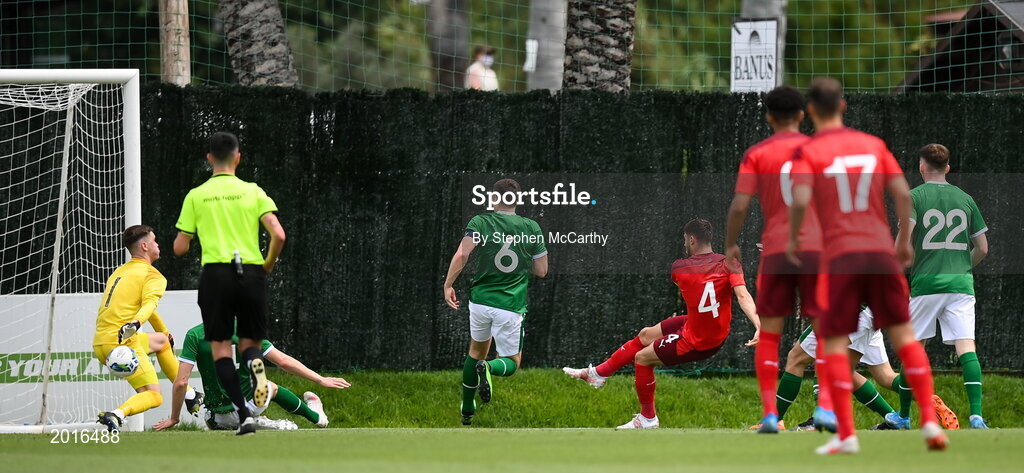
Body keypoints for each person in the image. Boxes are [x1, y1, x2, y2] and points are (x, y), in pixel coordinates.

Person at [787, 77, 947, 454]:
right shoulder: (873, 146)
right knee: (906, 340)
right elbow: (903, 196)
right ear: (842, 106)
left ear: (810, 111)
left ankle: (842, 432)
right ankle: (928, 423)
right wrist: (904, 247)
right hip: (878, 256)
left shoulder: (809, 151)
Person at [563, 218, 760, 429]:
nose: (685, 243)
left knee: (642, 358)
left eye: (685, 239)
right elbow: (743, 295)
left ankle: (648, 418)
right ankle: (598, 374)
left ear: (692, 239)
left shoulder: (680, 268)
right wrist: (758, 325)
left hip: (698, 340)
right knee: (646, 335)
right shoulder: (730, 263)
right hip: (705, 326)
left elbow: (684, 280)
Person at [724, 85, 836, 434]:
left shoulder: (758, 153)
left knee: (770, 334)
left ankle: (771, 415)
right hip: (816, 250)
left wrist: (730, 244)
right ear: (803, 115)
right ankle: (826, 409)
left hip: (776, 250)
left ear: (769, 117)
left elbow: (740, 205)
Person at [173, 131, 286, 435]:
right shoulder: (253, 191)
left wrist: (193, 234)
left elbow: (180, 247)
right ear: (238, 158)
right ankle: (258, 373)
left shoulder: (196, 195)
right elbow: (279, 234)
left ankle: (244, 415)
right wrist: (268, 265)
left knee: (222, 349)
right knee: (251, 345)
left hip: (216, 275)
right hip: (251, 272)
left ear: (209, 159)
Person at [889, 143, 990, 429]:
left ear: (921, 167)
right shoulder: (965, 198)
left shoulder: (913, 197)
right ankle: (977, 416)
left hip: (926, 283)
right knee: (966, 348)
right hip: (961, 284)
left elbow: (902, 247)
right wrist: (962, 267)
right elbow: (982, 247)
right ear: (948, 167)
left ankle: (904, 416)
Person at [443, 178, 548, 426]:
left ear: (494, 199)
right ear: (518, 200)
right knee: (512, 362)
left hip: (480, 302)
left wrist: (448, 285)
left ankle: (467, 408)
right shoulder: (531, 227)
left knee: (475, 351)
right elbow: (542, 270)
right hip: (510, 305)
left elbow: (462, 254)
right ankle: (489, 369)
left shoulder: (480, 222)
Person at [93, 225, 201, 431]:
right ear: (144, 246)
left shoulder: (120, 271)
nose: (158, 244)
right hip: (123, 344)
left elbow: (145, 309)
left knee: (161, 341)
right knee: (153, 395)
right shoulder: (153, 276)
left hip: (102, 342)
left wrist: (165, 331)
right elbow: (149, 305)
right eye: (155, 241)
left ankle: (189, 394)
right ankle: (116, 415)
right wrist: (135, 323)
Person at [154, 323, 350, 431]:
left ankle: (250, 423)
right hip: (252, 404)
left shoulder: (194, 334)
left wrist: (174, 418)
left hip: (218, 418)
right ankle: (317, 418)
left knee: (210, 418)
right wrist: (320, 379)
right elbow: (283, 362)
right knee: (270, 386)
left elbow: (181, 383)